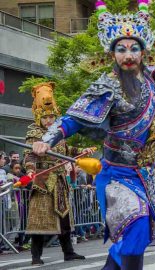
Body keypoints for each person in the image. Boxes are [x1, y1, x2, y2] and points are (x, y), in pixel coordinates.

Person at [31, 0, 155, 268]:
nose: (128, 55)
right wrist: (47, 139)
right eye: (121, 49)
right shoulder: (107, 85)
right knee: (136, 225)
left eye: (134, 48)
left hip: (146, 174)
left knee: (139, 238)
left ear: (144, 52)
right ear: (111, 54)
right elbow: (73, 117)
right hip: (117, 174)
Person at [23, 82, 89, 265]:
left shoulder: (58, 134)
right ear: (39, 118)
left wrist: (83, 150)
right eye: (46, 118)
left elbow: (66, 149)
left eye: (52, 117)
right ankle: (36, 257)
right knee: (39, 220)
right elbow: (29, 156)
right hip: (43, 181)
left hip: (60, 181)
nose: (49, 121)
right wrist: (30, 171)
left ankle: (69, 252)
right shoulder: (34, 134)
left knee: (64, 218)